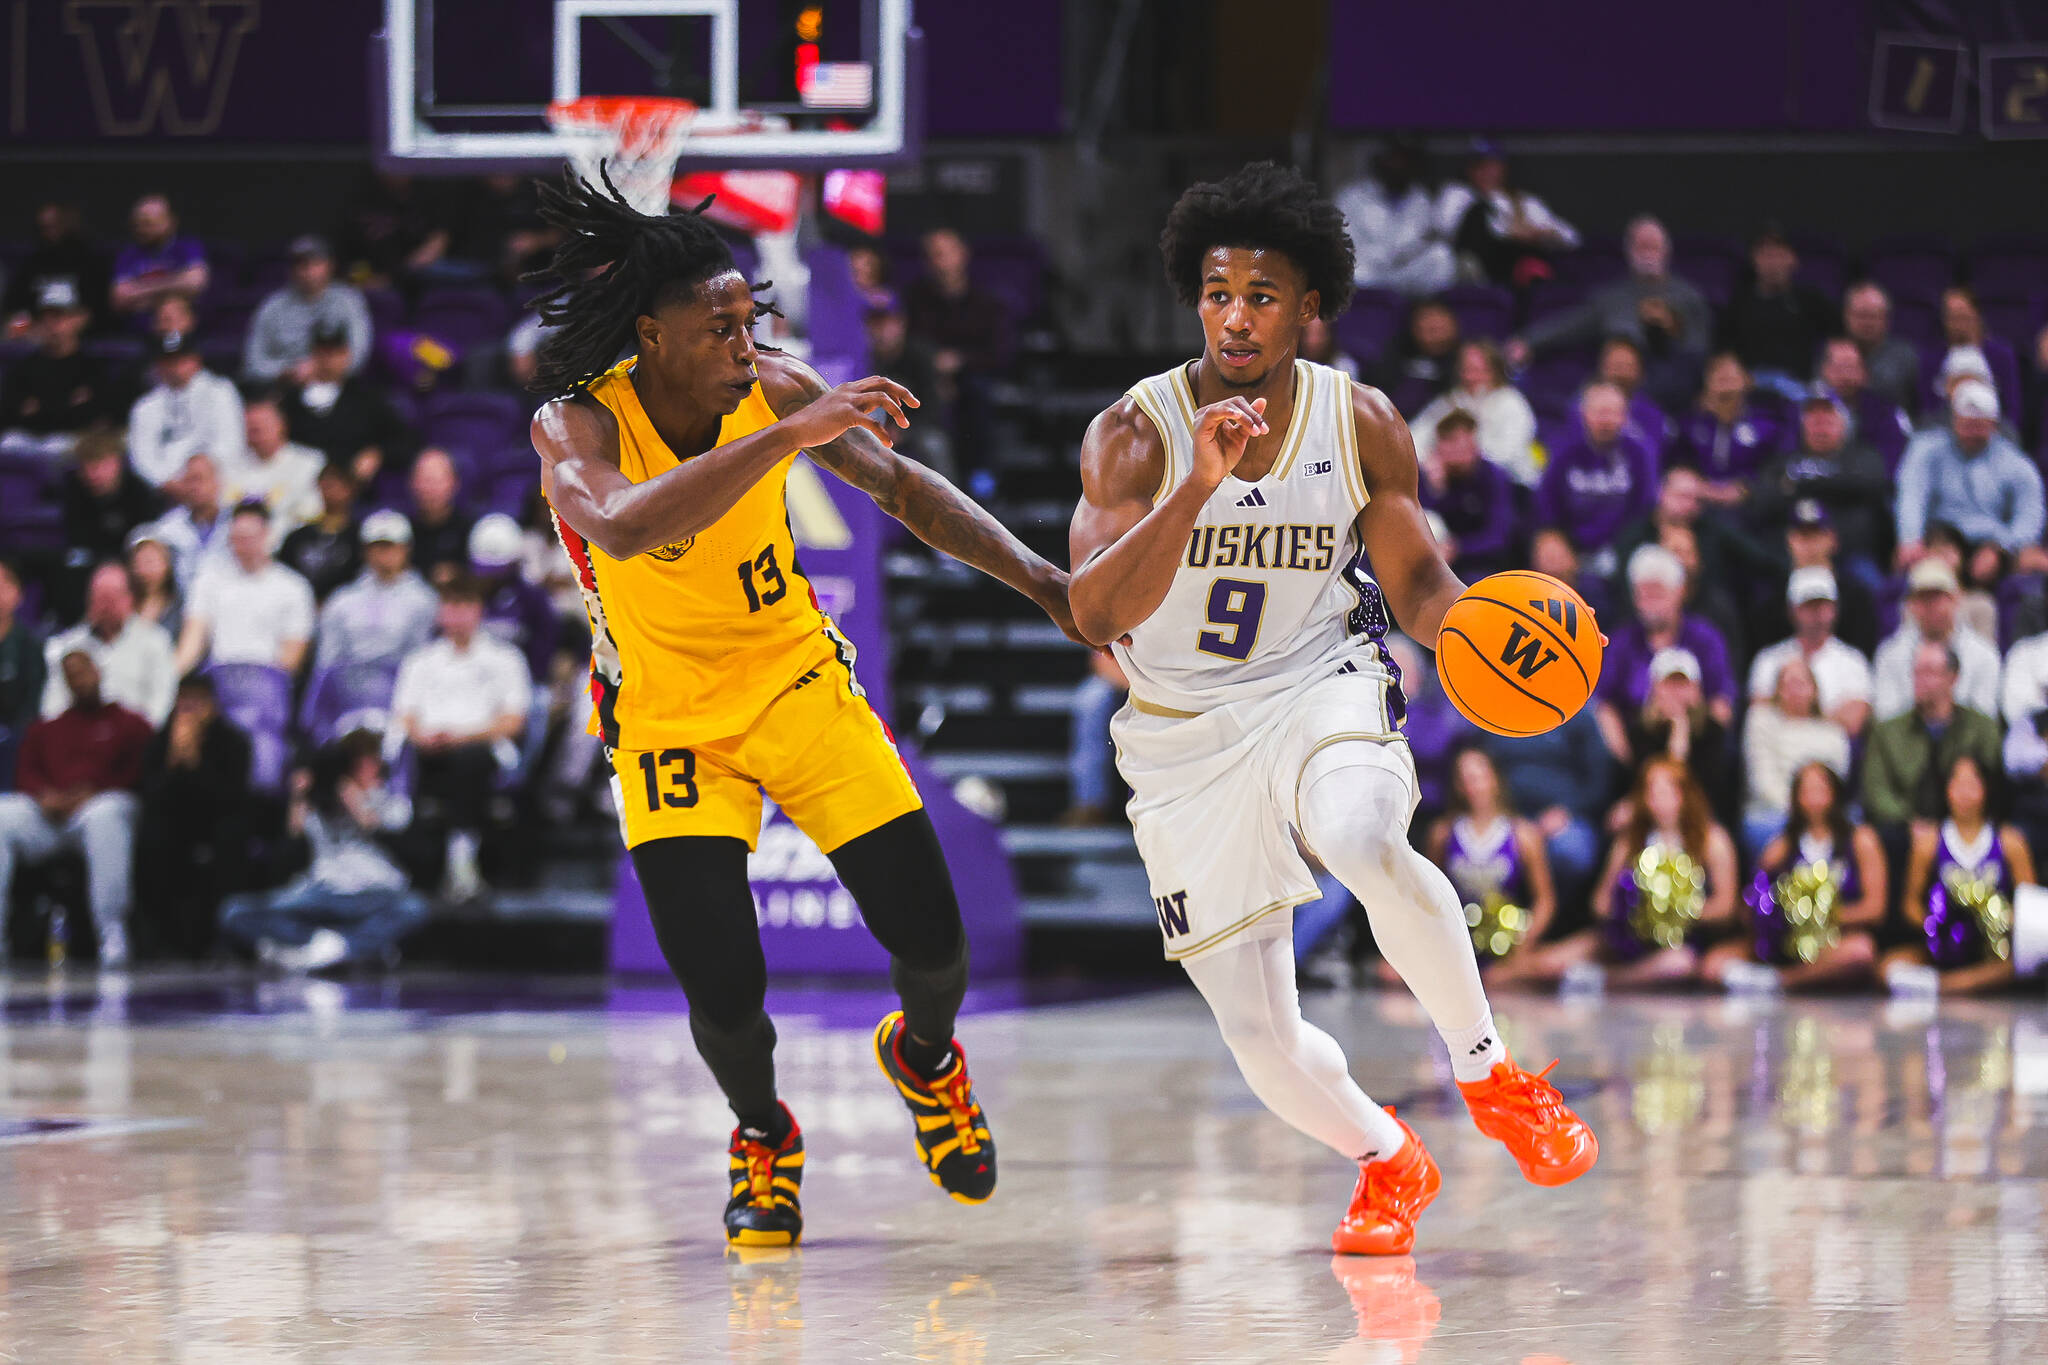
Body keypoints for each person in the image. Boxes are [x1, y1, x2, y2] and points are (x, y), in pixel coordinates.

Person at [525, 171, 1081, 1247]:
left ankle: (922, 1060)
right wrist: (786, 434)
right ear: (651, 333)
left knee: (934, 946)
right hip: (666, 721)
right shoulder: (575, 422)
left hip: (795, 684)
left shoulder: (773, 388)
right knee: (725, 995)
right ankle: (763, 1133)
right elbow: (625, 527)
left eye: (749, 320)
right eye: (720, 326)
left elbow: (905, 489)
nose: (746, 342)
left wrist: (1044, 583)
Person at [1066, 161, 1596, 1259]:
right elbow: (1091, 614)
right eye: (1216, 293)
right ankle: (1384, 1158)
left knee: (1358, 830)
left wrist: (1479, 633)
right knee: (1259, 1042)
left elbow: (1415, 585)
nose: (1235, 317)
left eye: (1262, 296)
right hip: (1179, 733)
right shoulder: (1133, 433)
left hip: (1317, 679)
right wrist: (1197, 490)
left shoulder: (1358, 422)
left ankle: (1488, 1072)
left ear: (1309, 308)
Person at [219, 731, 429, 973]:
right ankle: (337, 946)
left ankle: (336, 947)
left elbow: (413, 850)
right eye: (362, 762)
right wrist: (299, 798)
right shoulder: (319, 800)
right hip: (322, 891)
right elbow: (287, 855)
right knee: (234, 911)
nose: (371, 768)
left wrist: (361, 809)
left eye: (373, 760)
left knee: (415, 908)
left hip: (374, 893)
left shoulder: (390, 802)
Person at [0, 651, 151, 966]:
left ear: (98, 671)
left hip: (101, 808)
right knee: (4, 814)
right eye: (72, 675)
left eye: (84, 671)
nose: (80, 679)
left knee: (105, 814)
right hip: (52, 817)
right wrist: (44, 796)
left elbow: (139, 773)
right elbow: (26, 773)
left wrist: (93, 791)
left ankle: (111, 932)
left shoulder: (130, 723)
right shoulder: (47, 729)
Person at [1530, 758, 1737, 988]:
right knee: (1550, 962)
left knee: (1679, 964)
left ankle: (1604, 980)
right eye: (1651, 791)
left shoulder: (1712, 839)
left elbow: (1725, 906)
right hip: (1625, 939)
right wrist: (1634, 915)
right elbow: (1599, 903)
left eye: (1668, 790)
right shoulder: (1630, 839)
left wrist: (1673, 913)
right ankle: (1500, 975)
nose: (1659, 799)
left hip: (1680, 943)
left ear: (1686, 793)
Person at [389, 574, 530, 900]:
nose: (458, 615)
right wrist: (422, 736)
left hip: (483, 748)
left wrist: (461, 737)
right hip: (429, 747)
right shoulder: (420, 661)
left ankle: (461, 858)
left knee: (470, 761)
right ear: (440, 612)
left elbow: (512, 722)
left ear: (479, 610)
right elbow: (405, 715)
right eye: (451, 606)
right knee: (409, 757)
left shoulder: (505, 658)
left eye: (465, 606)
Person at [1708, 761, 1884, 992]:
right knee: (1713, 965)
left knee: (1860, 952)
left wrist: (1814, 917)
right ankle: (1786, 976)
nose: (1813, 798)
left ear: (1836, 792)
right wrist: (1779, 920)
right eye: (1806, 790)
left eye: (1820, 789)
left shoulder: (1861, 839)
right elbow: (1751, 903)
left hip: (1835, 941)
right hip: (1788, 943)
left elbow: (1874, 909)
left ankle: (1783, 981)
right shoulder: (1780, 846)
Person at [1884, 753, 2035, 995]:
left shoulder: (2010, 841)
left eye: (1972, 784)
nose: (1964, 794)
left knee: (2024, 965)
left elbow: (2030, 907)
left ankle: (1944, 987)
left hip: (1994, 950)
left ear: (1987, 789)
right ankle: (1963, 985)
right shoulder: (1929, 842)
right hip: (1943, 949)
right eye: (1957, 784)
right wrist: (1937, 929)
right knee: (1887, 967)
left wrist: (1994, 924)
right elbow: (1910, 904)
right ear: (1945, 789)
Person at [134, 672, 251, 960]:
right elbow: (149, 792)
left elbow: (230, 797)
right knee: (151, 835)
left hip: (217, 820)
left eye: (198, 701)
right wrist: (174, 761)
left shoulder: (233, 741)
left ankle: (224, 937)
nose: (190, 709)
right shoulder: (161, 742)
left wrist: (196, 763)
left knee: (232, 835)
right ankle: (155, 939)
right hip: (174, 822)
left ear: (213, 704)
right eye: (184, 700)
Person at [1513, 215, 1709, 385]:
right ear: (1629, 251)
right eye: (1642, 246)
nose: (1648, 252)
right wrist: (1529, 341)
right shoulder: (1612, 297)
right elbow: (1570, 326)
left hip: (1670, 383)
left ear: (1666, 250)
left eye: (1654, 246)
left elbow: (1697, 354)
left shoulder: (1690, 297)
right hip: (1613, 383)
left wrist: (1671, 327)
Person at [1894, 381, 2047, 588]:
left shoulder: (2016, 463)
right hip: (1941, 536)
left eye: (1979, 427)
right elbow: (1912, 495)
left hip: (1994, 543)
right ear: (1954, 420)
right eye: (1966, 425)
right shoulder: (1926, 449)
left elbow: (2030, 515)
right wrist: (1911, 538)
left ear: (1994, 425)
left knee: (2035, 561)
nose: (1972, 433)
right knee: (1926, 559)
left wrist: (2001, 548)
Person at [1427, 748, 1556, 987]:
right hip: (1459, 943)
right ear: (1457, 786)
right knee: (1388, 971)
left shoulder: (1523, 834)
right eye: (1464, 778)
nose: (1472, 785)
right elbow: (1428, 895)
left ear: (1495, 779)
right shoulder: (1442, 833)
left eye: (1478, 777)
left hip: (1507, 946)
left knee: (1546, 966)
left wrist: (1520, 943)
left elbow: (1545, 901)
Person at [1595, 545, 1734, 760]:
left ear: (1680, 591)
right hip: (1638, 749)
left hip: (1697, 747)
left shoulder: (1705, 638)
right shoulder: (1622, 642)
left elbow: (1721, 701)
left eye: (1657, 594)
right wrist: (1628, 762)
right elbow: (1604, 705)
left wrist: (1698, 754)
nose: (1649, 604)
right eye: (1642, 594)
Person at [1748, 386, 1893, 581]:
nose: (1820, 426)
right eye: (1814, 420)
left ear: (1843, 425)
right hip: (1788, 560)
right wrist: (1834, 487)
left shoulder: (1863, 457)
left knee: (1870, 582)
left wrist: (1800, 485)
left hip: (1851, 558)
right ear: (1802, 426)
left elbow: (1870, 484)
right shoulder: (1782, 462)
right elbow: (1762, 503)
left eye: (1827, 419)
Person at [1862, 640, 2003, 831]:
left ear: (1952, 677)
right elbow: (1877, 791)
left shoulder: (1981, 727)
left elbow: (1996, 785)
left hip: (1971, 826)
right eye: (1916, 672)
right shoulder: (1887, 732)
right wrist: (1909, 822)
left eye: (1929, 672)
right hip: (1905, 828)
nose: (1920, 680)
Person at [174, 503, 317, 677]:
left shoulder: (294, 587)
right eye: (238, 538)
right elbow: (191, 644)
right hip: (217, 678)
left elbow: (292, 658)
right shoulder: (208, 580)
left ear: (268, 535)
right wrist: (171, 678)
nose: (244, 545)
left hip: (269, 680)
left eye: (250, 537)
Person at [1533, 382, 1657, 573]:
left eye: (1613, 412)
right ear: (1584, 414)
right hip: (1571, 543)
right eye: (1600, 412)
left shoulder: (1639, 453)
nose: (1606, 420)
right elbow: (1546, 504)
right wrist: (1555, 538)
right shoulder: (1563, 450)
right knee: (1550, 553)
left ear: (1624, 416)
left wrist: (1621, 545)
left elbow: (1644, 508)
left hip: (1624, 544)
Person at [279, 322, 415, 487]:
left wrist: (378, 454)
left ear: (347, 355)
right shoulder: (292, 399)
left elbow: (404, 440)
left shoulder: (367, 397)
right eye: (322, 353)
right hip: (301, 487)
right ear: (312, 356)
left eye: (335, 353)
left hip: (353, 489)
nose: (328, 360)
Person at [1741, 656, 1852, 855]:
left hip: (1825, 809)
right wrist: (1801, 811)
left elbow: (1837, 782)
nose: (1794, 690)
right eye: (1787, 684)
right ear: (1778, 691)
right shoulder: (1761, 721)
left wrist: (1817, 809)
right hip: (1775, 809)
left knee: (1857, 826)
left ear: (1815, 690)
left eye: (1801, 683)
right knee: (1763, 826)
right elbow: (1763, 780)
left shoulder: (1833, 731)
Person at [41, 561, 175, 726]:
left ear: (130, 599)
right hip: (79, 740)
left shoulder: (155, 641)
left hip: (136, 740)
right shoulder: (67, 645)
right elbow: (52, 705)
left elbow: (161, 700)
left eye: (113, 596)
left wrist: (140, 735)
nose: (107, 604)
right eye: (101, 596)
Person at [1435, 140, 1578, 290]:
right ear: (1469, 169)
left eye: (1492, 166)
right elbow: (1444, 230)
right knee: (1476, 216)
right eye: (1479, 166)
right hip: (1471, 262)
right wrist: (1509, 232)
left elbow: (1571, 237)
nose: (1486, 172)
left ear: (1503, 168)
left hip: (1511, 266)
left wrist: (1540, 233)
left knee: (1531, 259)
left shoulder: (1523, 201)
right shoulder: (1456, 194)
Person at [1747, 567, 1873, 736]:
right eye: (1809, 606)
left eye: (1823, 604)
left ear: (1834, 608)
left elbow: (1853, 723)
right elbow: (1760, 717)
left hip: (1831, 757)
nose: (1817, 613)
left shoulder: (1853, 661)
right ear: (1792, 610)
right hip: (1780, 754)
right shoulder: (1768, 659)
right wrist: (1831, 716)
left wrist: (1792, 711)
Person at [1872, 559, 2001, 721]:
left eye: (1937, 597)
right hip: (1906, 741)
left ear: (1955, 599)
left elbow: (1985, 717)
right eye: (1922, 598)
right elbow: (1886, 716)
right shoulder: (1890, 653)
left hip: (1966, 742)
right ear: (1911, 605)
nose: (1930, 606)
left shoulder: (1984, 654)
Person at [1715, 226, 1834, 398]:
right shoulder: (1737, 304)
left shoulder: (1811, 300)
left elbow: (1838, 341)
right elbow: (1723, 352)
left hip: (1800, 387)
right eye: (1766, 255)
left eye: (1779, 254)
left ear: (1793, 259)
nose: (1773, 262)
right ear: (1754, 259)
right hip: (1750, 387)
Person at [314, 511, 439, 674]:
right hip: (350, 684)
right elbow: (327, 659)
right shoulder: (342, 599)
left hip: (401, 684)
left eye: (390, 546)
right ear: (365, 551)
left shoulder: (424, 599)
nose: (384, 554)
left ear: (405, 549)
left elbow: (422, 656)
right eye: (377, 547)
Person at [57, 429, 162, 617]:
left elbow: (144, 542)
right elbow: (77, 540)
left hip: (129, 565)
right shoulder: (74, 491)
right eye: (87, 466)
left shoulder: (140, 493)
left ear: (116, 463)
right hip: (91, 564)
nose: (93, 473)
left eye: (100, 465)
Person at [1335, 134, 1455, 297]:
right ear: (1381, 161)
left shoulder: (1421, 198)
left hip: (1405, 269)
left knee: (1441, 257)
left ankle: (1427, 313)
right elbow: (1342, 244)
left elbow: (1426, 241)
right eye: (1394, 159)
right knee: (1350, 270)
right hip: (1368, 269)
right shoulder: (1353, 195)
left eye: (1405, 159)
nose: (1399, 165)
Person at [243, 235, 373, 384]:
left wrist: (322, 369)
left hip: (337, 384)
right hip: (284, 386)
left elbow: (359, 353)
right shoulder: (272, 306)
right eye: (302, 264)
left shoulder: (349, 300)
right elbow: (253, 362)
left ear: (330, 265)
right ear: (291, 270)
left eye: (316, 263)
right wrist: (288, 370)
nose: (309, 271)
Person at [0, 279, 113, 449]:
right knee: (8, 443)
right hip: (29, 438)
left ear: (76, 319)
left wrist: (40, 407)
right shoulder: (25, 367)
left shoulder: (91, 367)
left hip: (69, 439)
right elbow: (12, 412)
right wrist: (66, 404)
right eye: (46, 318)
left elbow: (90, 416)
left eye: (59, 317)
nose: (52, 325)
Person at [1407, 340, 1538, 485]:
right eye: (1466, 370)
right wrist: (1430, 460)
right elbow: (1413, 439)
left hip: (1511, 485)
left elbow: (1509, 453)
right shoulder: (1450, 402)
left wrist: (1464, 460)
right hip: (1456, 485)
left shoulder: (1511, 402)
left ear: (1495, 371)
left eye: (1479, 371)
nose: (1471, 377)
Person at [126, 329, 245, 488]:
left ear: (196, 359)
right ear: (158, 365)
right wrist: (165, 482)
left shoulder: (220, 391)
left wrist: (199, 477)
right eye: (168, 360)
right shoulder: (145, 406)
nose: (175, 366)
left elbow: (231, 442)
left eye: (181, 359)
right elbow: (142, 456)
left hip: (216, 482)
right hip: (166, 490)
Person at [1667, 353, 1781, 505]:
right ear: (1707, 384)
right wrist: (1702, 488)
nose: (1726, 387)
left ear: (1747, 381)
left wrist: (1746, 489)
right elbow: (1676, 466)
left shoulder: (1766, 426)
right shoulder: (1688, 425)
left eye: (1731, 379)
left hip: (1750, 506)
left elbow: (1773, 472)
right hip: (1697, 501)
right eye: (1720, 379)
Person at [1417, 411, 1517, 580]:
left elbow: (1499, 536)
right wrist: (1437, 490)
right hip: (1435, 561)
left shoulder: (1493, 477)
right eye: (1451, 441)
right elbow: (1419, 522)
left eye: (1465, 442)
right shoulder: (1428, 477)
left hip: (1480, 564)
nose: (1459, 450)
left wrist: (1459, 549)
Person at [468, 512, 558, 681]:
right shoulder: (466, 598)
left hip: (522, 681)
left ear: (514, 564)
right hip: (474, 680)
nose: (490, 578)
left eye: (497, 571)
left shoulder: (533, 599)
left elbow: (544, 649)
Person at [2, 202, 109, 334]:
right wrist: (22, 324)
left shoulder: (91, 260)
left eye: (54, 226)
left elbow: (97, 308)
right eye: (44, 228)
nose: (50, 234)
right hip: (37, 331)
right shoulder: (32, 262)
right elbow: (15, 306)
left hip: (79, 331)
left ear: (68, 226)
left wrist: (66, 326)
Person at [1816, 335, 1912, 472]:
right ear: (1825, 370)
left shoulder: (1884, 410)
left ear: (1864, 373)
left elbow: (1895, 459)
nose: (1845, 376)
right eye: (1838, 368)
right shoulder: (1806, 406)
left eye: (1851, 368)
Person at [109, 194, 209, 322]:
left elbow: (195, 283)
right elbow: (119, 298)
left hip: (180, 323)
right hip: (138, 325)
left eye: (148, 223)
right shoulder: (128, 254)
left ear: (170, 222)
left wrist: (140, 292)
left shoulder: (187, 247)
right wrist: (174, 288)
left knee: (172, 310)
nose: (141, 229)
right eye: (136, 224)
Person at [231, 398, 324, 533]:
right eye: (251, 427)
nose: (257, 432)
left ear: (282, 425)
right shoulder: (230, 466)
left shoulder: (310, 464)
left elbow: (310, 515)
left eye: (263, 425)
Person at [278, 462, 366, 602]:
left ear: (351, 488)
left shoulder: (360, 537)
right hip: (299, 604)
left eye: (338, 483)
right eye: (326, 483)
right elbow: (283, 575)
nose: (330, 489)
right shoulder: (297, 537)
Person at [1063, 650, 1129, 826]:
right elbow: (1100, 657)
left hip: (1168, 679)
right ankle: (1091, 804)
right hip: (1126, 676)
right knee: (1092, 699)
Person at [1370, 299, 1461, 418]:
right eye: (1429, 328)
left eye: (1439, 328)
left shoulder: (1464, 361)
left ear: (1453, 326)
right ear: (1414, 326)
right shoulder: (1393, 359)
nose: (1434, 335)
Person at [1842, 281, 1920, 414]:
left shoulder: (1904, 356)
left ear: (1886, 319)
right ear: (1847, 316)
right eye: (1861, 315)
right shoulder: (1833, 352)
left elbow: (1909, 401)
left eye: (1873, 316)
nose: (1867, 323)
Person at [0, 561, 44, 789]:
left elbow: (32, 702)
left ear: (18, 595)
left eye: (4, 585)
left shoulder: (30, 645)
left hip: (14, 739)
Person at [406, 448, 474, 584]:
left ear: (454, 483)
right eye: (425, 480)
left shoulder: (470, 529)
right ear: (412, 483)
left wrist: (459, 574)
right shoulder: (401, 530)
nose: (430, 489)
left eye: (437, 481)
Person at [125, 529, 182, 640]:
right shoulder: (123, 604)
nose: (143, 568)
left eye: (150, 561)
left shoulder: (181, 608)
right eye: (138, 561)